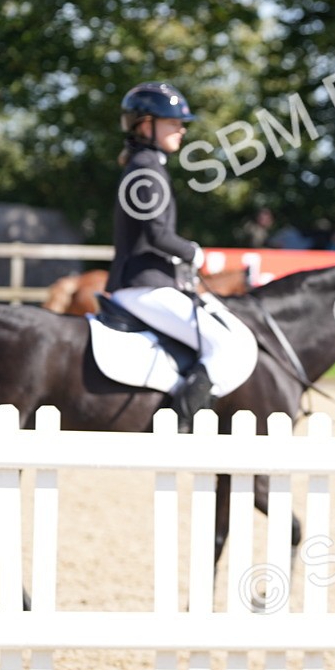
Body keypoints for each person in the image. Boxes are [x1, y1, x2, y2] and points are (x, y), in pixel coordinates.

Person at [106, 82, 257, 432]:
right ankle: (180, 429)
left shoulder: (148, 165)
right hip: (144, 284)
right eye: (173, 121)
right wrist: (193, 252)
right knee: (222, 345)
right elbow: (156, 234)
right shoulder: (146, 168)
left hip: (150, 281)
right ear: (146, 125)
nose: (182, 128)